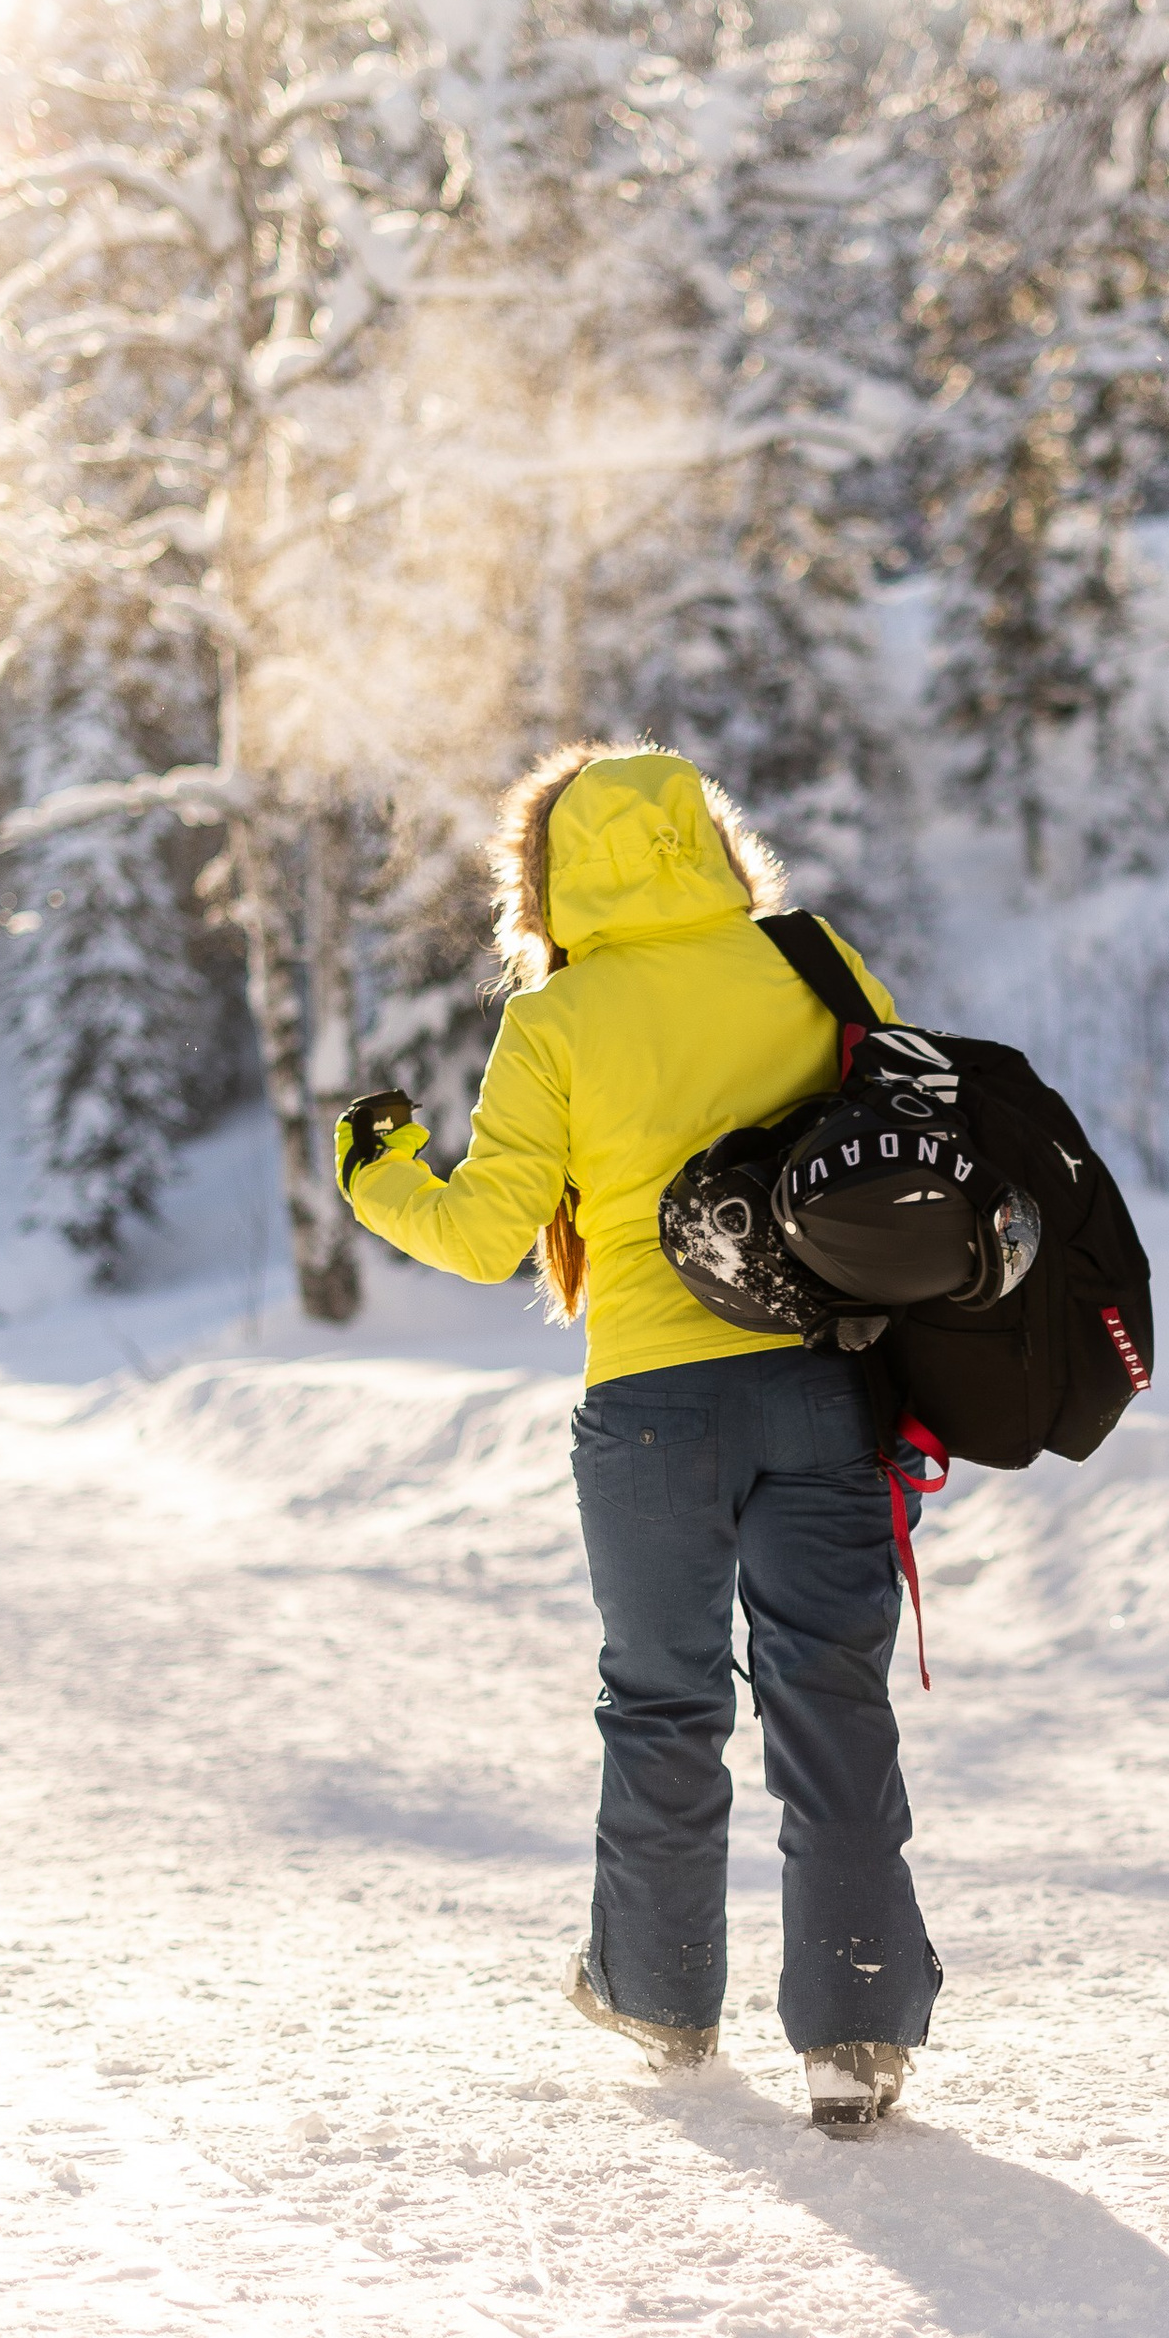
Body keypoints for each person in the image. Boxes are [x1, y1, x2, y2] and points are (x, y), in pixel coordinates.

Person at [334, 745, 939, 2137]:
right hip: (823, 1388)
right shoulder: (811, 964)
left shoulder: (557, 1019)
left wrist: (378, 1173)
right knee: (831, 1702)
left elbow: (484, 1235)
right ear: (710, 841)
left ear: (545, 879)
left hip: (654, 1410)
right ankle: (856, 2030)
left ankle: (662, 1995)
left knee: (664, 1702)